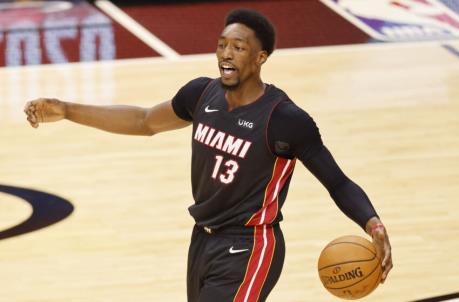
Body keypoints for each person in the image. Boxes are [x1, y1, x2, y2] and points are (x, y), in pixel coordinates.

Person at [24, 8, 392, 302]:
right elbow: (143, 120)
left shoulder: (284, 119)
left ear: (260, 57)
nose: (226, 54)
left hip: (249, 247)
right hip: (203, 239)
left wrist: (372, 223)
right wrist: (67, 109)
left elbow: (338, 182)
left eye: (238, 47)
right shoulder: (201, 95)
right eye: (222, 45)